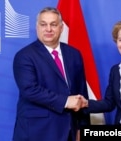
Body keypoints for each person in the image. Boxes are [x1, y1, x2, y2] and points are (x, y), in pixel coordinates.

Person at [12, 7, 89, 141]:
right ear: (37, 28)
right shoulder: (24, 56)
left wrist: (83, 128)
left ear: (61, 28)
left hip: (70, 131)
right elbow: (30, 90)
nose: (48, 29)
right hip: (38, 132)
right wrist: (66, 101)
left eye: (53, 24)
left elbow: (81, 94)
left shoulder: (74, 54)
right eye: (43, 24)